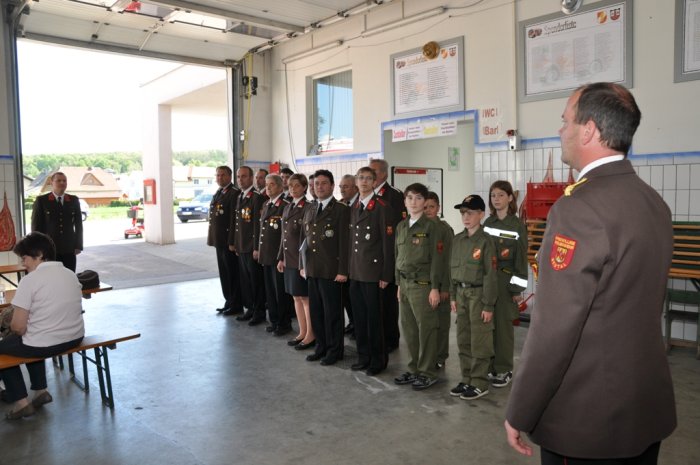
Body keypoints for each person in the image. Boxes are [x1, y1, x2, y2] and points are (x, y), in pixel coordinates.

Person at [505, 82, 676, 464]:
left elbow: (554, 329)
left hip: (587, 420)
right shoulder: (653, 202)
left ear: (589, 130)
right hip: (644, 406)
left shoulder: (578, 209)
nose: (560, 130)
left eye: (565, 120)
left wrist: (521, 409)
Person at [0, 232, 84, 420]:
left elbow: (18, 327)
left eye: (25, 258)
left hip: (47, 343)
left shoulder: (30, 280)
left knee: (15, 344)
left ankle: (21, 403)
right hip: (75, 338)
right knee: (33, 338)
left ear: (39, 255)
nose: (23, 263)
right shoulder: (70, 274)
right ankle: (40, 391)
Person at [393, 183, 444, 390]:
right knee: (410, 330)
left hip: (423, 285)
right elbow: (398, 257)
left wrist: (435, 287)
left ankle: (428, 372)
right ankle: (414, 368)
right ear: (405, 201)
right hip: (404, 284)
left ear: (425, 202)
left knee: (427, 330)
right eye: (410, 198)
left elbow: (437, 260)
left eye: (419, 198)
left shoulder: (432, 227)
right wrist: (398, 284)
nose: (414, 202)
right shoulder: (401, 226)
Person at [448, 195, 497, 400]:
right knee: (463, 339)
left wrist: (488, 305)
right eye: (463, 213)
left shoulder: (486, 241)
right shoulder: (458, 240)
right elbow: (452, 269)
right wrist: (452, 296)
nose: (465, 217)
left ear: (481, 214)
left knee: (480, 340)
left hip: (478, 295)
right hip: (461, 294)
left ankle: (479, 382)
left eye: (470, 213)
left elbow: (490, 275)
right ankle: (466, 378)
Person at [348, 167, 394, 376]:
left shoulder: (382, 207)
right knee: (359, 318)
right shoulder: (354, 205)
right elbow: (351, 242)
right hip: (356, 271)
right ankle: (363, 356)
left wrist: (386, 274)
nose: (364, 182)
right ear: (356, 182)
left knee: (374, 319)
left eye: (368, 178)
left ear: (375, 182)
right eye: (361, 178)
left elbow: (387, 243)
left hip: (374, 272)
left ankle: (378, 360)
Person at [301, 169, 350, 366]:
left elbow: (345, 243)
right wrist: (302, 265)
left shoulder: (341, 210)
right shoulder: (310, 208)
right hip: (312, 269)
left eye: (323, 183)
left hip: (331, 270)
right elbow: (305, 240)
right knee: (317, 312)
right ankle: (320, 347)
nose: (319, 187)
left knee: (333, 314)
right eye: (316, 184)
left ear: (331, 186)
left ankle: (334, 350)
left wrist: (343, 270)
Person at [483, 180, 528, 387]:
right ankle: (490, 366)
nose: (496, 199)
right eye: (493, 195)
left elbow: (521, 259)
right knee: (487, 326)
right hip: (488, 281)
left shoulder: (517, 225)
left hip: (505, 282)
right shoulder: (488, 223)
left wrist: (516, 289)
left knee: (503, 328)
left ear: (510, 198)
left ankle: (503, 369)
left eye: (501, 195)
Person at [369, 159, 406, 353]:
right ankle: (377, 337)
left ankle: (390, 339)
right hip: (370, 258)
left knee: (388, 303)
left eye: (373, 171)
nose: (370, 175)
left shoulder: (394, 195)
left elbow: (397, 230)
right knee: (374, 303)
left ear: (383, 174)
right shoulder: (367, 194)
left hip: (387, 256)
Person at [277, 174, 315, 350]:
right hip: (289, 259)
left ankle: (310, 334)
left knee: (305, 298)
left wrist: (302, 264)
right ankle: (302, 331)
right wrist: (281, 257)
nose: (293, 189)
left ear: (305, 187)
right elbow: (283, 236)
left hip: (300, 260)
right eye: (291, 186)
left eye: (297, 186)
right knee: (295, 297)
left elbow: (306, 238)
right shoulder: (288, 206)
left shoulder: (308, 207)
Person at [231, 166, 267, 325]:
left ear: (251, 178)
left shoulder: (256, 197)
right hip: (242, 246)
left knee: (256, 281)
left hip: (251, 247)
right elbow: (238, 224)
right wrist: (236, 244)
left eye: (244, 176)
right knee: (246, 281)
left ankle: (259, 312)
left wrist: (257, 248)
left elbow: (257, 225)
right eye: (238, 177)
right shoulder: (240, 196)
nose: (240, 179)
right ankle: (250, 309)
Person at [258, 174, 291, 336]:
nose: (268, 187)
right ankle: (274, 320)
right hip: (266, 254)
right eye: (267, 184)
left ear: (280, 186)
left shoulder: (285, 205)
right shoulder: (266, 204)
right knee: (270, 292)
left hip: (277, 256)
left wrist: (282, 256)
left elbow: (285, 235)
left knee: (280, 292)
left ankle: (284, 324)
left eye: (271, 184)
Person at [30, 171, 83, 271]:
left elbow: (79, 225)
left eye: (64, 181)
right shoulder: (42, 200)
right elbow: (36, 226)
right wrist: (38, 247)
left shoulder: (73, 200)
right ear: (51, 182)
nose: (62, 183)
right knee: (51, 276)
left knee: (69, 275)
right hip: (49, 248)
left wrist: (78, 245)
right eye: (58, 180)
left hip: (69, 248)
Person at [208, 166, 243, 316]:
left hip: (228, 242)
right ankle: (228, 301)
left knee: (232, 273)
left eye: (223, 175)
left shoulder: (234, 193)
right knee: (224, 273)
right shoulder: (219, 192)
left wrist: (232, 241)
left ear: (230, 176)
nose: (219, 178)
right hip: (219, 240)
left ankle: (236, 304)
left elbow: (233, 220)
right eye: (217, 175)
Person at [424, 192, 453, 370]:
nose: (428, 210)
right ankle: (427, 355)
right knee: (427, 324)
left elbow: (448, 260)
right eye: (425, 207)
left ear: (438, 208)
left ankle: (440, 356)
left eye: (432, 207)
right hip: (424, 284)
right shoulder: (419, 227)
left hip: (441, 284)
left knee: (441, 323)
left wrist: (445, 287)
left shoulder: (444, 230)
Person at [338, 173, 359, 337]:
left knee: (355, 298)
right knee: (345, 295)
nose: (342, 190)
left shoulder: (359, 204)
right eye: (341, 186)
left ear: (355, 188)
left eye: (345, 186)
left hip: (357, 259)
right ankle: (352, 322)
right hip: (343, 259)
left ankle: (358, 326)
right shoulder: (340, 205)